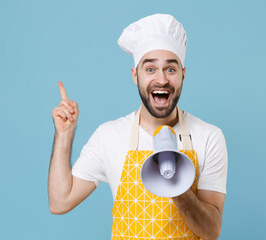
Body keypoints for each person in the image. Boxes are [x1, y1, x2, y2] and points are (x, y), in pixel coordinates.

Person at [48, 14, 228, 240]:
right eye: (150, 69)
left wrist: (176, 186)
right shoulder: (109, 136)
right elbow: (59, 201)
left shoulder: (209, 137)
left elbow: (212, 232)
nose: (161, 80)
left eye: (170, 69)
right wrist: (64, 136)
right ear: (135, 75)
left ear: (182, 74)